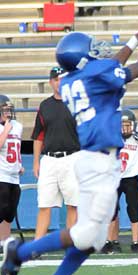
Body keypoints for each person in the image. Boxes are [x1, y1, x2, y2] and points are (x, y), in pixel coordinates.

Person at [1, 26, 138, 275]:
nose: (97, 53)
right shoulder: (93, 75)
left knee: (96, 239)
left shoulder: (74, 80)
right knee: (87, 235)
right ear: (82, 59)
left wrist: (134, 39)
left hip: (98, 159)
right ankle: (19, 252)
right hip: (98, 162)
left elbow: (113, 65)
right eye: (91, 50)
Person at [31, 66, 80, 240]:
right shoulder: (45, 106)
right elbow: (38, 135)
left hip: (72, 157)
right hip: (49, 159)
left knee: (73, 204)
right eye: (57, 79)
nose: (60, 82)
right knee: (44, 204)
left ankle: (71, 243)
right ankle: (37, 245)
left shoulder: (77, 103)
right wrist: (36, 161)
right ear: (51, 82)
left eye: (63, 79)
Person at [102, 109, 138, 254]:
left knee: (133, 209)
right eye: (122, 125)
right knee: (111, 211)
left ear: (133, 125)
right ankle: (110, 241)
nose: (125, 128)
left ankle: (135, 242)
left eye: (128, 125)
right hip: (114, 178)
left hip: (131, 178)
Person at [0, 96, 23, 253]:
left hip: (14, 175)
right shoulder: (5, 128)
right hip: (1, 174)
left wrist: (19, 164)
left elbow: (16, 147)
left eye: (9, 109)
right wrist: (5, 131)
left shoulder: (17, 126)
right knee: (1, 209)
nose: (8, 112)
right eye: (5, 109)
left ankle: (5, 242)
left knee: (10, 212)